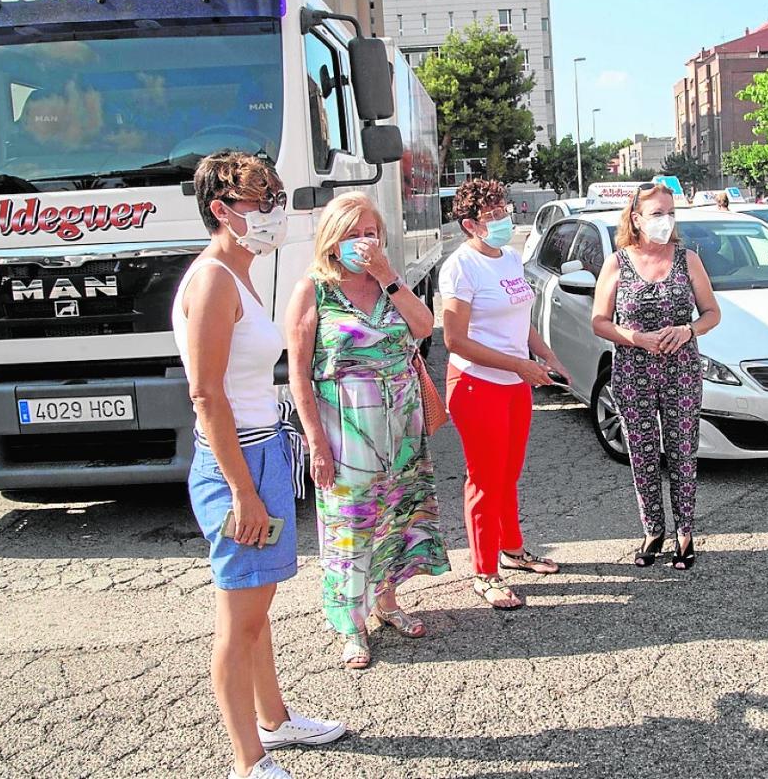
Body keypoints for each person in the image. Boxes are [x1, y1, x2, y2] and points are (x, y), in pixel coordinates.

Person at [172, 152, 345, 779]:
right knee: (239, 618)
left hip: (264, 449)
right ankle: (250, 760)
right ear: (222, 211)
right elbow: (205, 395)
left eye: (274, 198)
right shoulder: (214, 278)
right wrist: (243, 492)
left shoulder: (238, 274)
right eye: (261, 202)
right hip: (235, 461)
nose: (274, 212)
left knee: (256, 604)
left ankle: (275, 719)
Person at [285, 192, 449, 669]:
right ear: (332, 241)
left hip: (402, 425)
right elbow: (298, 373)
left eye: (370, 233)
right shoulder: (313, 289)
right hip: (346, 428)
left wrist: (385, 274)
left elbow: (423, 327)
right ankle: (350, 624)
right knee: (349, 526)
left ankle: (388, 601)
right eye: (353, 234)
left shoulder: (387, 284)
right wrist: (316, 441)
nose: (363, 242)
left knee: (396, 517)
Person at [440, 178, 571, 609]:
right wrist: (519, 365)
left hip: (516, 384)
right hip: (477, 385)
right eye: (491, 215)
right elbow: (455, 341)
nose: (502, 219)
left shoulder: (511, 258)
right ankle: (484, 571)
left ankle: (512, 549)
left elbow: (522, 323)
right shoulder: (460, 267)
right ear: (469, 224)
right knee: (484, 479)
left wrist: (549, 358)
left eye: (503, 210)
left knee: (508, 474)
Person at [591, 183, 721, 570]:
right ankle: (653, 531)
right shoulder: (617, 262)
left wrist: (688, 330)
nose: (666, 220)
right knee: (643, 455)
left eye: (670, 212)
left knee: (683, 452)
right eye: (657, 214)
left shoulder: (688, 260)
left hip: (681, 370)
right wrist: (636, 338)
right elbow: (598, 321)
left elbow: (712, 313)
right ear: (636, 219)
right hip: (633, 370)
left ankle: (685, 533)